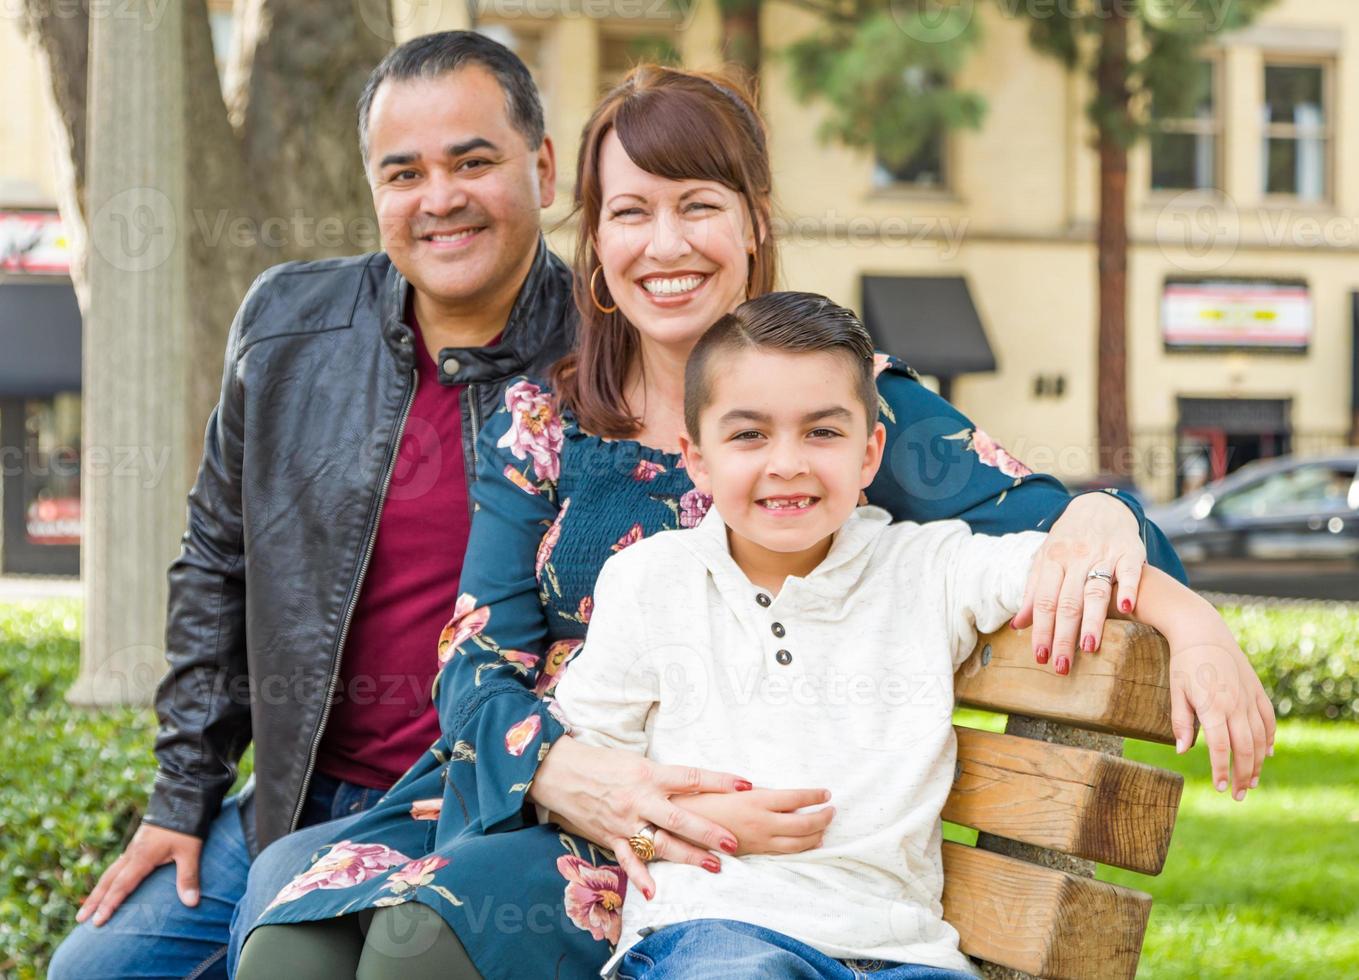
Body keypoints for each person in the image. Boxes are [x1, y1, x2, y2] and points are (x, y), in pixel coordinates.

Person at [233, 66, 1273, 979]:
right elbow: (474, 653)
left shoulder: (840, 402)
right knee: (289, 937)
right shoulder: (541, 420)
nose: (667, 244)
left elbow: (1058, 531)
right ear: (594, 245)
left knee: (411, 945)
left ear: (754, 224)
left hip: (708, 843)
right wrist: (564, 767)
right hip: (539, 784)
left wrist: (1171, 591)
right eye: (631, 213)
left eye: (699, 205)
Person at [49, 31, 575, 980]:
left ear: (541, 165)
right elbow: (216, 564)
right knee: (96, 969)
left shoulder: (610, 358)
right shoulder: (289, 323)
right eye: (403, 171)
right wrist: (181, 800)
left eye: (472, 161)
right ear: (374, 188)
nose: (439, 198)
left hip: (490, 813)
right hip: (294, 800)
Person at [549, 291, 1274, 979]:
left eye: (823, 431)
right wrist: (684, 827)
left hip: (904, 951)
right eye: (748, 434)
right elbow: (589, 788)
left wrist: (1197, 628)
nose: (787, 462)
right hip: (716, 933)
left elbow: (1081, 566)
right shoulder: (649, 581)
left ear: (869, 455)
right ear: (698, 459)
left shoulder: (928, 567)